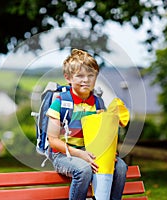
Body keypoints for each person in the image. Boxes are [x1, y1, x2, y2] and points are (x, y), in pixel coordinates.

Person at [46, 49, 128, 200]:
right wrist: (80, 154)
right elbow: (53, 141)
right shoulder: (59, 103)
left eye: (91, 75)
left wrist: (108, 154)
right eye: (80, 76)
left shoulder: (98, 103)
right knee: (84, 170)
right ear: (68, 77)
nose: (86, 80)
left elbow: (102, 133)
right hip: (63, 155)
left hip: (91, 153)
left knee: (121, 167)